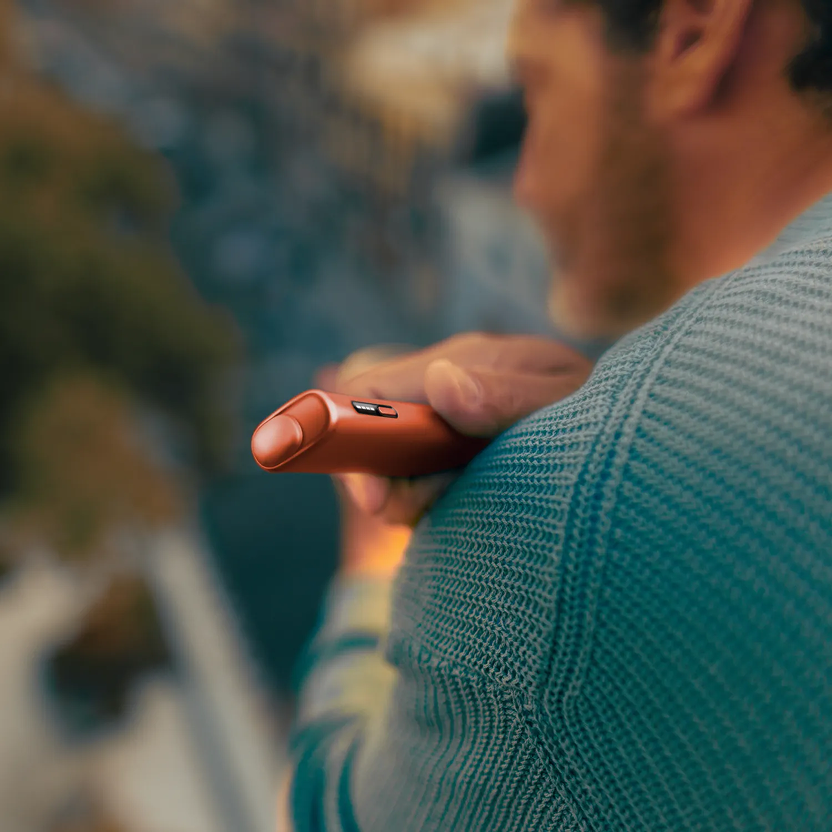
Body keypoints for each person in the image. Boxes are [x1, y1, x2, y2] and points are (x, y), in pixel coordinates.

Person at [281, 0, 832, 828]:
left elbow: (335, 812)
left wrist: (374, 569)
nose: (527, 185)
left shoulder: (565, 526)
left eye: (537, 87)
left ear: (694, 31)